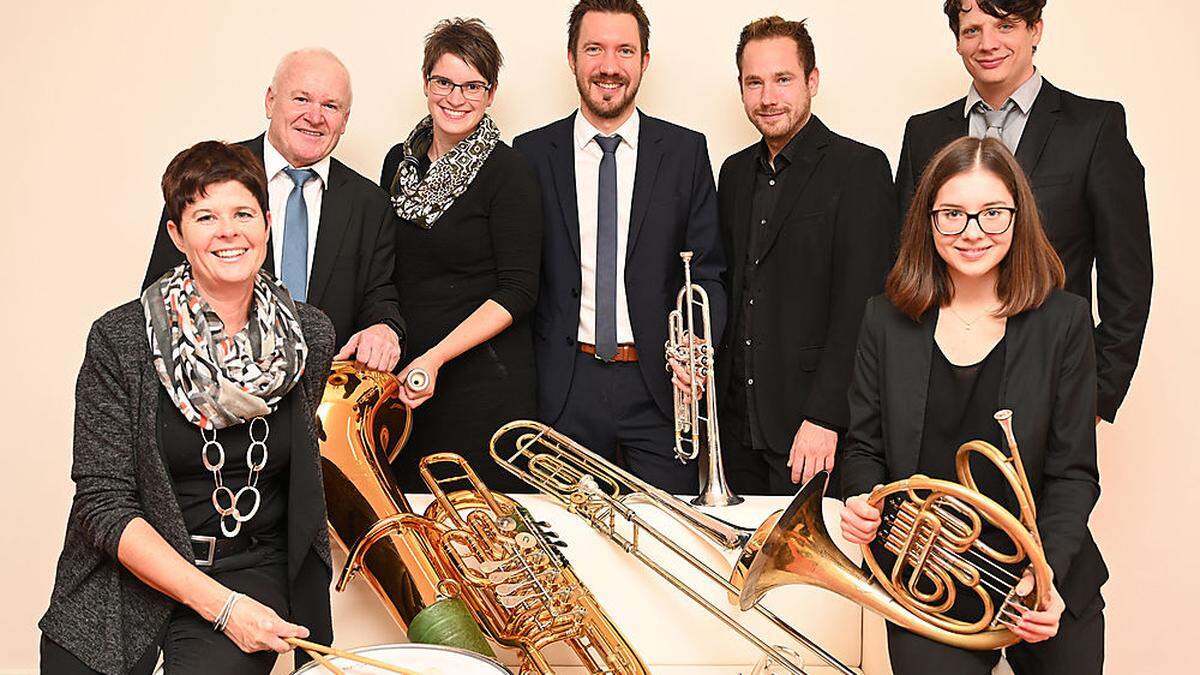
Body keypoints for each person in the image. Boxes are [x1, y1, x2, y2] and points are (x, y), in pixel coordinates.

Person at [40, 141, 335, 674]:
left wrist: (237, 606)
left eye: (243, 213)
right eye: (205, 216)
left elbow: (297, 474)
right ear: (176, 235)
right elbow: (102, 504)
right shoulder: (121, 337)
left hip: (249, 568)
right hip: (125, 570)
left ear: (267, 225)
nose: (228, 231)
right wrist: (217, 607)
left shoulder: (310, 334)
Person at [841, 137, 1106, 674]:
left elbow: (1074, 473)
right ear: (927, 221)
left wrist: (1044, 574)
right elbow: (864, 447)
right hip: (928, 582)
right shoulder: (885, 320)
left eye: (992, 214)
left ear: (1017, 217)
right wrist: (862, 501)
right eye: (953, 215)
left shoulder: (1064, 321)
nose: (972, 232)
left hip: (1046, 576)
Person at [895, 0, 1152, 424]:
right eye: (972, 30)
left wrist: (1096, 395)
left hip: (1051, 377)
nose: (987, 43)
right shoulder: (924, 133)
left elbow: (1128, 278)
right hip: (938, 381)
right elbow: (907, 258)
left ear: (1035, 30)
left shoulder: (1093, 127)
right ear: (957, 41)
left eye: (1006, 25)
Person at [514, 0, 726, 493]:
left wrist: (696, 345)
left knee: (670, 544)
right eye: (594, 49)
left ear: (644, 61)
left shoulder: (685, 152)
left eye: (624, 50)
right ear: (571, 58)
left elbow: (709, 272)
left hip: (658, 388)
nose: (609, 66)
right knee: (563, 549)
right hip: (563, 387)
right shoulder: (528, 154)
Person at [715, 16, 895, 495]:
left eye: (783, 79)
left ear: (812, 81)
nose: (768, 97)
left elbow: (865, 306)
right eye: (754, 82)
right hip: (735, 429)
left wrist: (826, 416)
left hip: (811, 429)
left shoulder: (861, 169)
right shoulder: (732, 174)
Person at [143, 48, 404, 372]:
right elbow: (160, 292)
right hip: (214, 392)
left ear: (345, 120)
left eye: (330, 105)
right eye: (301, 99)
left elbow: (379, 296)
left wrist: (384, 328)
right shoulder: (209, 176)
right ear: (270, 101)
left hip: (322, 401)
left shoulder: (370, 203)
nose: (315, 116)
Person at [380, 19, 541, 492]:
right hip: (408, 382)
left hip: (482, 385)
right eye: (444, 82)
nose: (455, 98)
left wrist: (435, 357)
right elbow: (387, 265)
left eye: (472, 86)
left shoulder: (509, 171)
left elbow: (519, 290)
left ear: (491, 94)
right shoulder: (398, 161)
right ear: (425, 82)